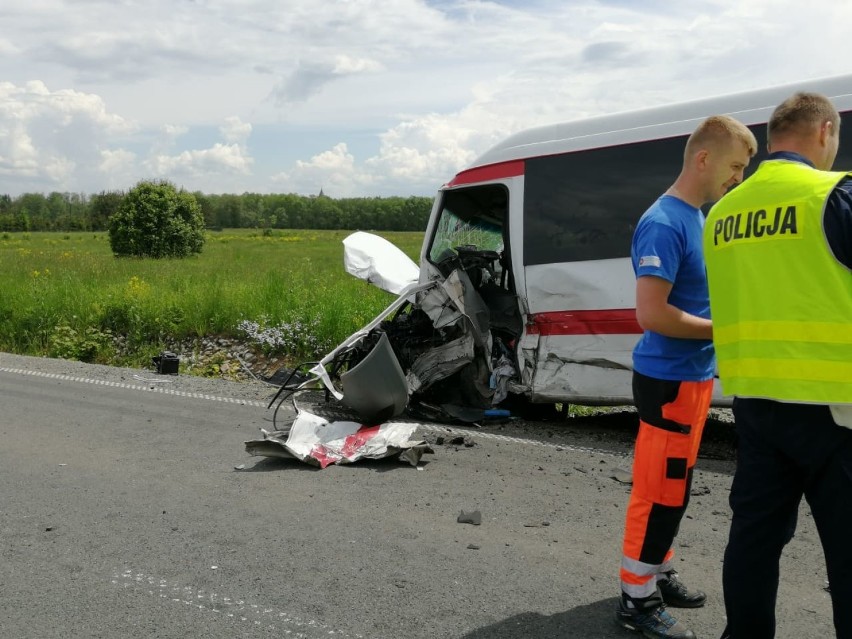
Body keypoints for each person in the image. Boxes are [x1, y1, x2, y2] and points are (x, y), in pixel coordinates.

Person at [704, 92, 852, 638]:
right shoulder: (832, 194)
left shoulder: (721, 213)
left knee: (754, 541)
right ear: (825, 131)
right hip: (836, 408)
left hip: (755, 404)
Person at [617, 115, 757, 639]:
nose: (738, 179)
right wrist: (727, 331)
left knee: (677, 487)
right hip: (667, 381)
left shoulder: (696, 217)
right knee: (660, 491)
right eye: (736, 167)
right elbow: (652, 315)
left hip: (690, 379)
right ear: (704, 158)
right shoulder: (664, 221)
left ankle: (659, 571)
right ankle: (636, 599)